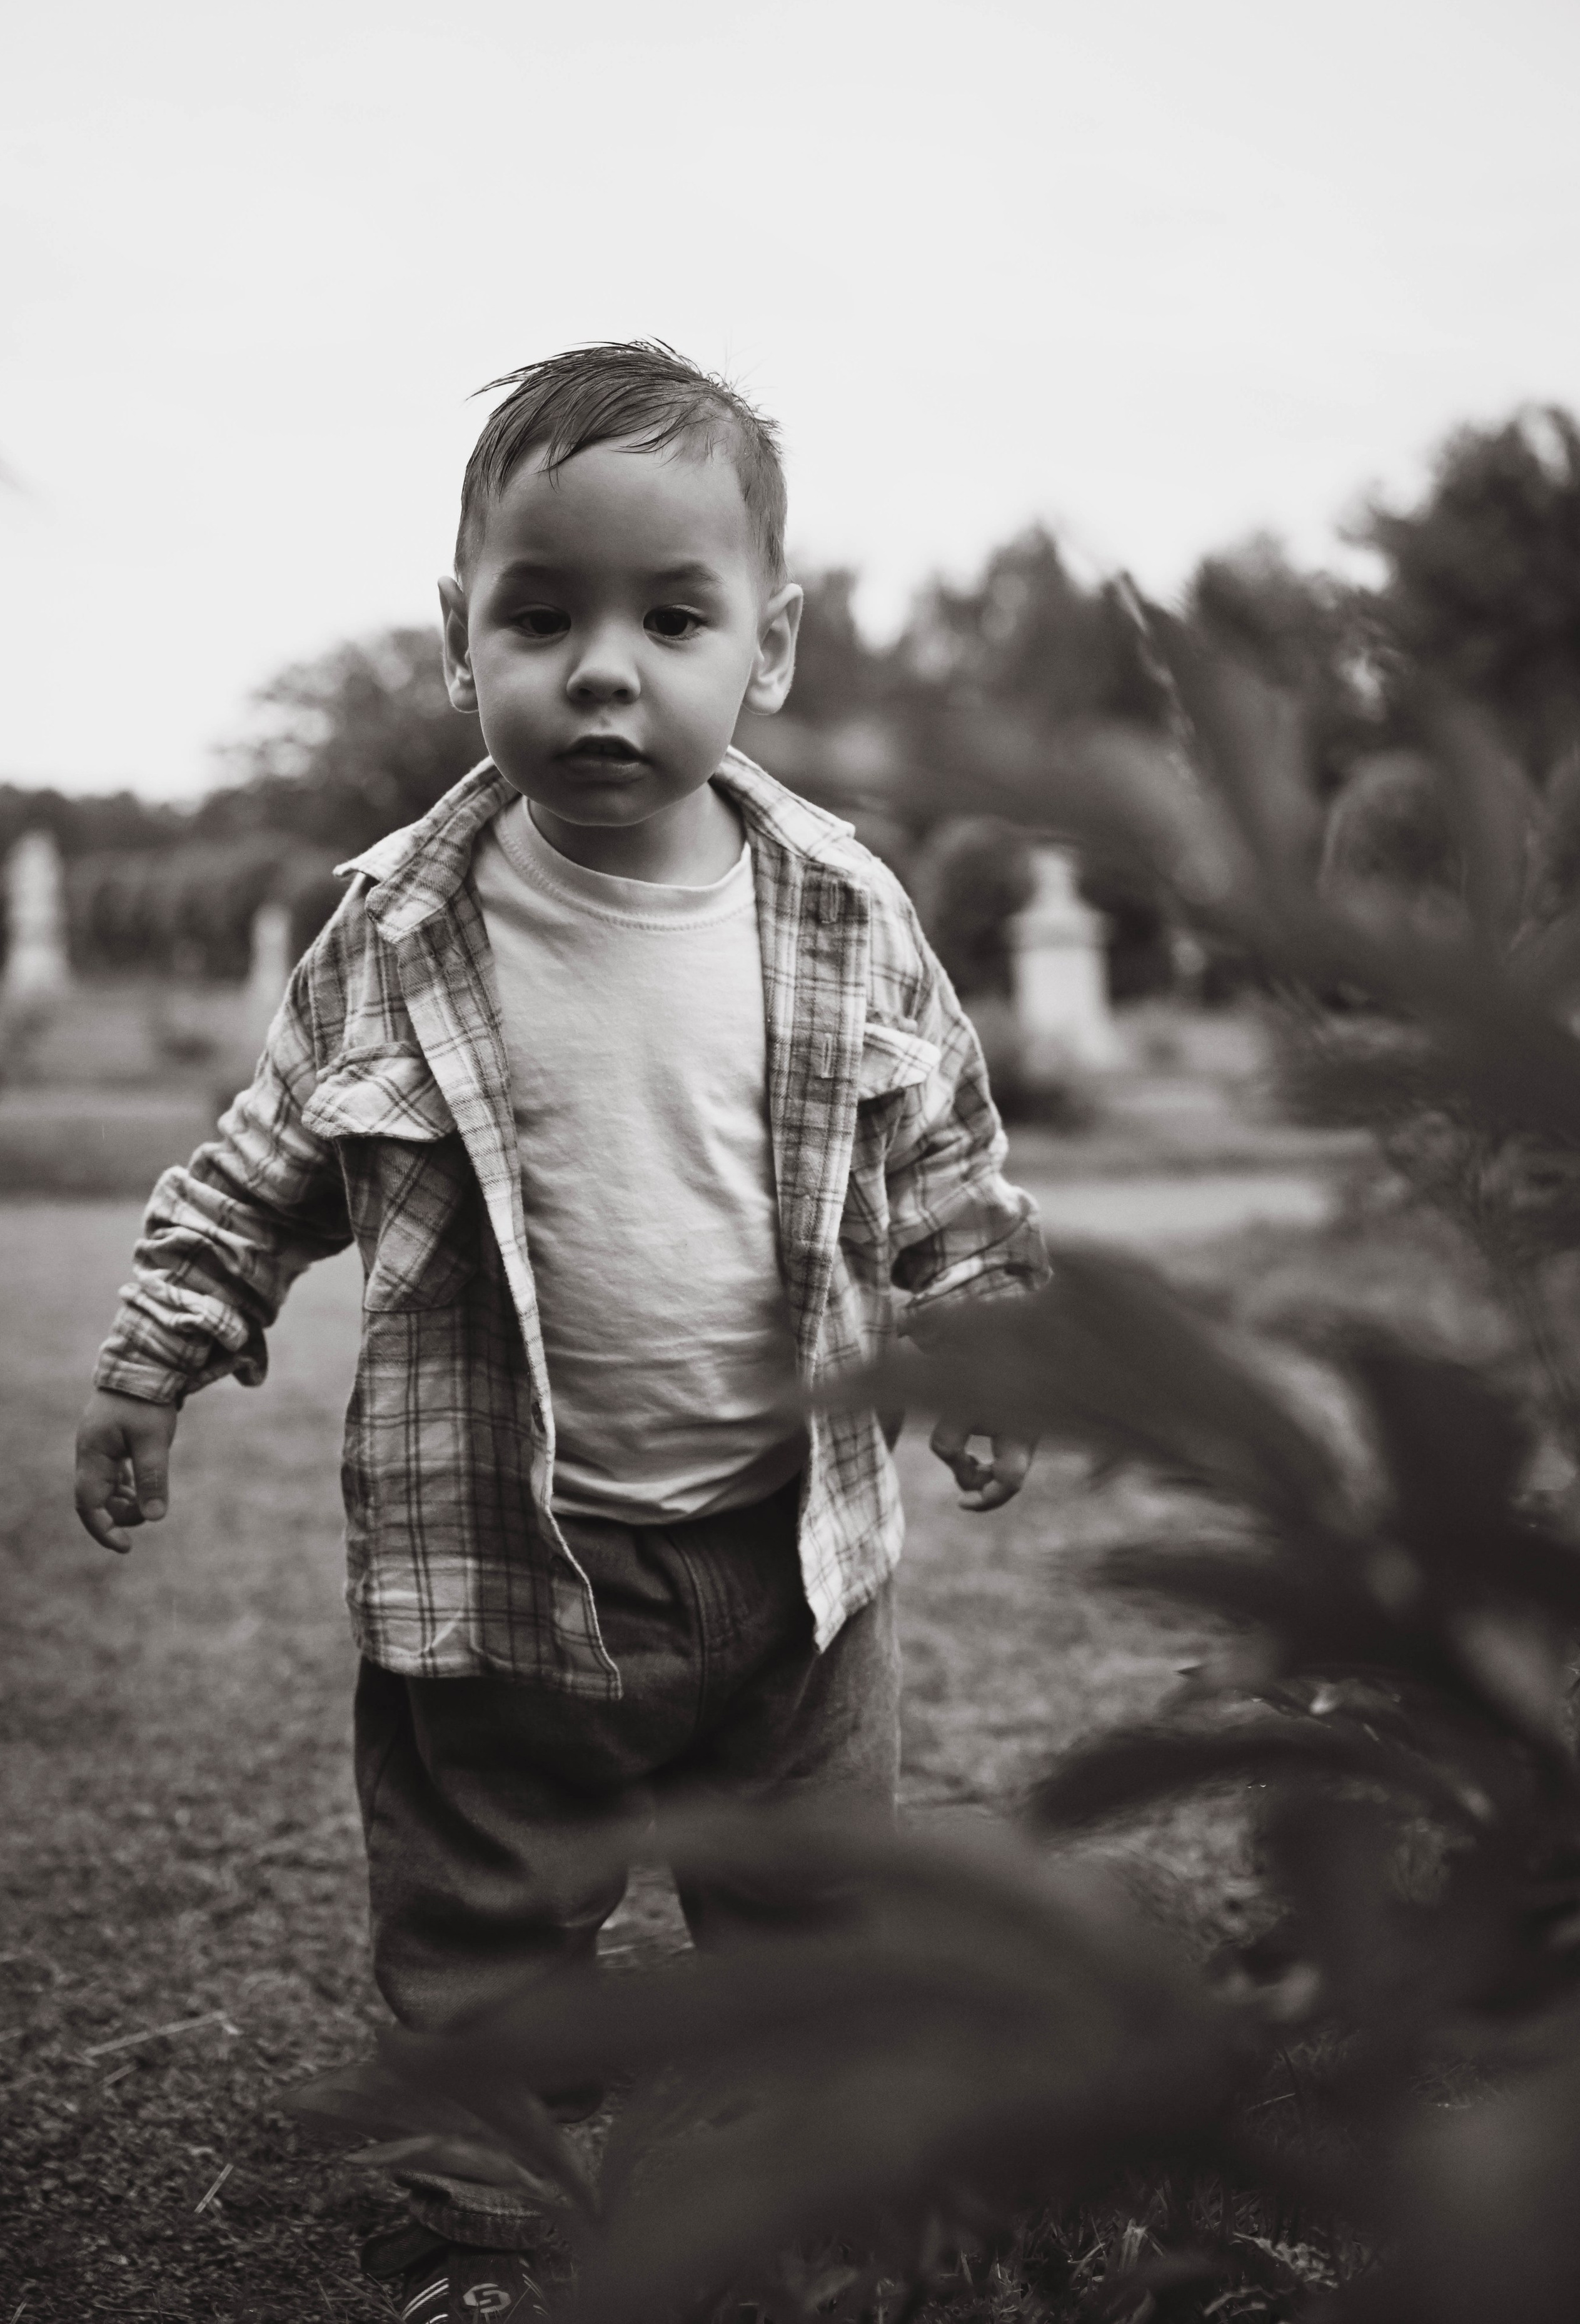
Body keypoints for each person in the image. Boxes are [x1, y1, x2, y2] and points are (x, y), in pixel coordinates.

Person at [73, 342, 1047, 2321]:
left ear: (767, 648)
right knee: (481, 1924)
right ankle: (480, 2220)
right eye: (543, 615)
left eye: (671, 618)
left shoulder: (845, 915)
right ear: (462, 638)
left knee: (807, 1922)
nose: (605, 669)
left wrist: (987, 1337)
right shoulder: (403, 926)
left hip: (796, 1568)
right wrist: (156, 1348)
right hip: (501, 1568)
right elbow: (265, 1163)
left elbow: (943, 1150)